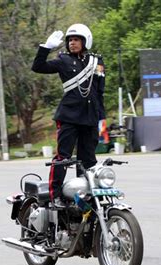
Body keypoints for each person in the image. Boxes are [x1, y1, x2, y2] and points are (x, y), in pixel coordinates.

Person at [31, 24, 105, 208]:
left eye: (76, 40)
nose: (72, 43)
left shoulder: (96, 61)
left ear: (85, 41)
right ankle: (55, 195)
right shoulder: (63, 60)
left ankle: (86, 196)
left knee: (88, 159)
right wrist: (45, 48)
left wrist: (100, 116)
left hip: (90, 117)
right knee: (63, 158)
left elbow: (99, 89)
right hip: (69, 116)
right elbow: (38, 67)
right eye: (70, 40)